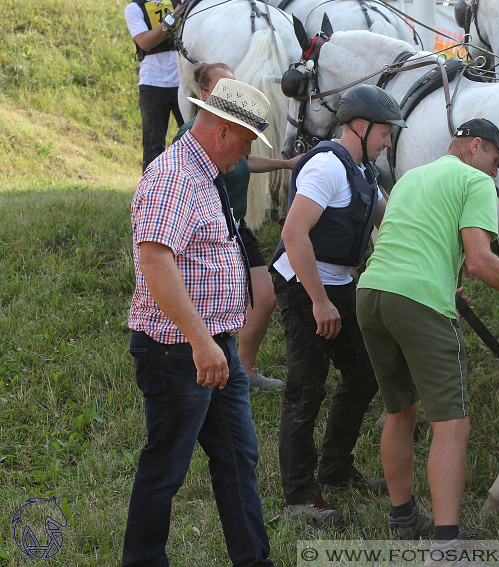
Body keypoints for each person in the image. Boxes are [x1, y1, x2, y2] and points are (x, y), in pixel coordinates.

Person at [356, 118, 499, 548]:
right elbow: (480, 261)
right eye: (495, 161)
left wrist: (440, 274)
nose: (495, 173)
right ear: (474, 146)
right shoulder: (474, 181)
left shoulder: (410, 178)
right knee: (452, 425)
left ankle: (402, 517)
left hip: (371, 294)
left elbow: (404, 237)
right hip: (419, 303)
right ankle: (447, 546)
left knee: (400, 411)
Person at [124, 78, 275, 567]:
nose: (245, 156)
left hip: (213, 348)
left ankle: (253, 560)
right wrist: (200, 341)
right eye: (248, 143)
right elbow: (155, 259)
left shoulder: (202, 172)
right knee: (166, 466)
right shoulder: (175, 177)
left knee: (238, 459)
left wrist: (214, 345)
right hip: (180, 350)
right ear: (226, 131)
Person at [269, 84, 405, 525]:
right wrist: (320, 301)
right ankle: (299, 498)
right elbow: (294, 235)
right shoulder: (327, 167)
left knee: (364, 376)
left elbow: (391, 218)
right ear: (361, 127)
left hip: (339, 287)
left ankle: (335, 467)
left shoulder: (364, 171)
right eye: (385, 132)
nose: (389, 141)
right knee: (306, 388)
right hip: (307, 288)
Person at [173, 63, 302, 389]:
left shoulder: (233, 133)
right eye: (223, 89)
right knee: (234, 298)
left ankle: (242, 370)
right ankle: (213, 364)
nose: (234, 94)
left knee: (263, 295)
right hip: (212, 228)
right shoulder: (194, 137)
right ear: (204, 96)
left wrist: (286, 164)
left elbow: (245, 162)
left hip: (236, 225)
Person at [125, 0, 184, 172]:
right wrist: (173, 18)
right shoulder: (134, 8)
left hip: (184, 83)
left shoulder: (178, 2)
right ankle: (150, 196)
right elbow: (144, 42)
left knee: (196, 141)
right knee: (154, 146)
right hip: (153, 84)